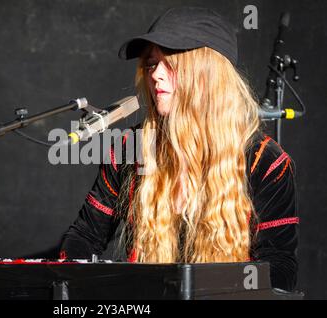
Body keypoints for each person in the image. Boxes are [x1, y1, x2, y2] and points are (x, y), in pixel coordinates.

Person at [60, 7, 299, 292]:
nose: (156, 75)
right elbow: (84, 237)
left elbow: (280, 270)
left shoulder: (266, 162)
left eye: (169, 62)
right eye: (151, 64)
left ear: (207, 73)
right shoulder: (129, 149)